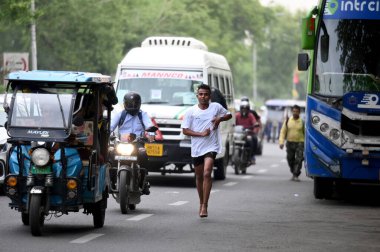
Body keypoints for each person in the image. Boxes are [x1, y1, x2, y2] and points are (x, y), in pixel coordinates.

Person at [181, 84, 232, 218]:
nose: (203, 97)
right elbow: (185, 130)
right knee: (198, 177)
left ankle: (205, 205)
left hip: (212, 146)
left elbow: (229, 114)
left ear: (210, 96)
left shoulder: (216, 107)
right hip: (197, 148)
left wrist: (219, 118)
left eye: (206, 94)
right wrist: (201, 134)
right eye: (201, 94)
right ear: (197, 96)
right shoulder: (191, 111)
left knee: (207, 173)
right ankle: (201, 202)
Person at [110, 91, 154, 194]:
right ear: (125, 103)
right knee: (110, 152)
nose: (132, 106)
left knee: (143, 153)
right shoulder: (121, 114)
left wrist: (151, 135)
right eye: (130, 103)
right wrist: (108, 133)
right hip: (121, 143)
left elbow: (149, 125)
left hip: (137, 143)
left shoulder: (142, 114)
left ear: (139, 104)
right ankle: (112, 181)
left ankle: (144, 181)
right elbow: (111, 126)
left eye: (135, 104)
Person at [279, 105, 305, 182]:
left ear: (299, 112)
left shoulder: (302, 122)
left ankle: (296, 174)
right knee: (290, 159)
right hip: (290, 143)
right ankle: (293, 171)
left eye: (297, 111)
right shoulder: (287, 121)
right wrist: (281, 142)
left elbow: (306, 133)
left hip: (300, 143)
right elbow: (283, 132)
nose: (295, 113)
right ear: (292, 112)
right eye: (294, 111)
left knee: (299, 159)